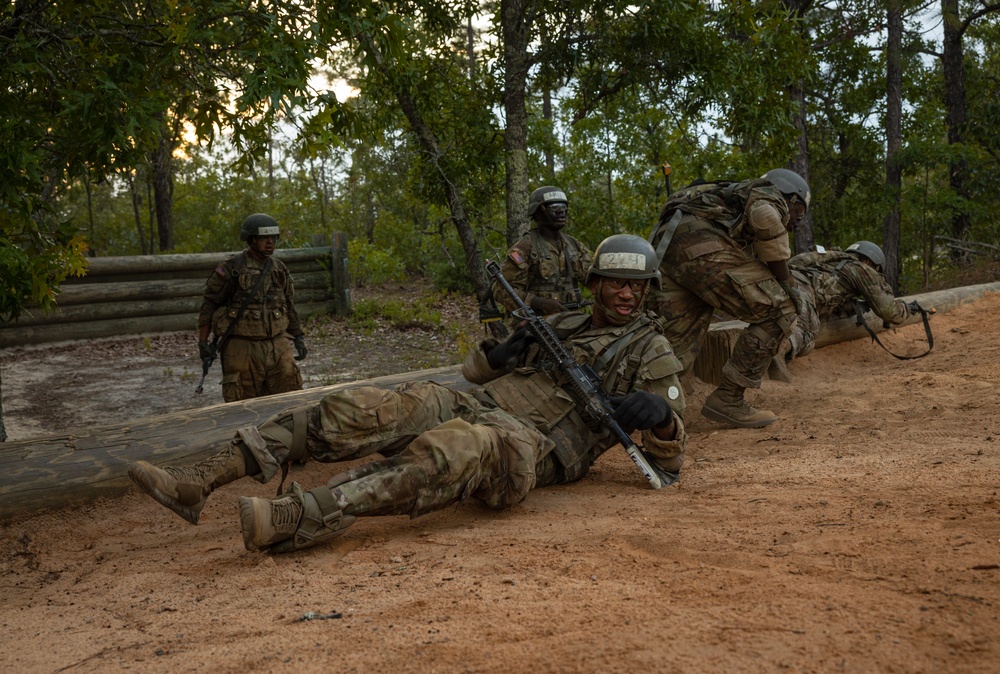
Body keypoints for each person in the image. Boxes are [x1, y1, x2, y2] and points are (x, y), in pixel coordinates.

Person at [130, 235, 687, 554]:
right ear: (595, 284)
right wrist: (499, 356)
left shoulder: (650, 351)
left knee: (455, 448)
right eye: (617, 282)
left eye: (638, 286)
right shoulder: (560, 321)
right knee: (361, 406)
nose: (626, 294)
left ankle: (302, 517)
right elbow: (473, 372)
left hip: (532, 446)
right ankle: (199, 482)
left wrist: (661, 418)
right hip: (479, 403)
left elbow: (671, 459)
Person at [647, 168, 810, 428]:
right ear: (791, 198)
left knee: (675, 342)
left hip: (667, 250)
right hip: (702, 245)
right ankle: (728, 399)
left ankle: (652, 411)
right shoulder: (768, 193)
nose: (798, 221)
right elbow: (766, 217)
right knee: (781, 308)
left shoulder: (725, 197)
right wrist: (785, 281)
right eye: (799, 212)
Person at [767, 240, 917, 382]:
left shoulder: (833, 262)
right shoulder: (862, 269)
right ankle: (779, 350)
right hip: (802, 288)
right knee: (808, 329)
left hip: (781, 284)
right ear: (870, 262)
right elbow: (889, 312)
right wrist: (907, 308)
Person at [198, 213, 307, 402]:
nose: (270, 242)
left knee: (290, 397)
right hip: (241, 346)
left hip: (277, 343)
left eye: (273, 238)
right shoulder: (231, 268)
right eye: (264, 238)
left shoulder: (279, 268)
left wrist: (298, 336)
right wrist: (203, 342)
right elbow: (209, 304)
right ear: (251, 239)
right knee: (242, 401)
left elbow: (288, 305)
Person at [491, 186, 593, 329]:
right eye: (554, 207)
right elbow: (501, 290)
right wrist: (538, 303)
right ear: (538, 212)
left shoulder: (574, 246)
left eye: (563, 206)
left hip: (572, 322)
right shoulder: (525, 248)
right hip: (534, 326)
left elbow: (594, 280)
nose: (561, 211)